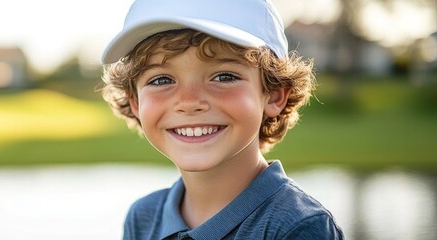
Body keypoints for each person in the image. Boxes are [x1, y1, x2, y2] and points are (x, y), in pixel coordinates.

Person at [100, 0, 344, 239]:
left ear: (273, 94)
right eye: (161, 80)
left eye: (223, 76)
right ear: (136, 102)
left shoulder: (296, 227)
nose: (189, 102)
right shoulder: (143, 217)